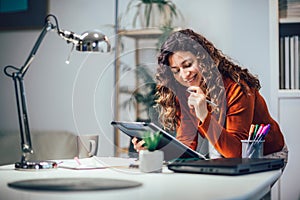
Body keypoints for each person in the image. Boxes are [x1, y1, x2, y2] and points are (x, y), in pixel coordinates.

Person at [132, 29, 288, 163]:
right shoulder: (184, 91)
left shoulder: (237, 88)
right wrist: (155, 148)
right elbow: (186, 144)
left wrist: (204, 116)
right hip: (223, 152)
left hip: (266, 155)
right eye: (176, 71)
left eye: (187, 65)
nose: (184, 75)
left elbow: (236, 153)